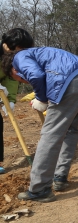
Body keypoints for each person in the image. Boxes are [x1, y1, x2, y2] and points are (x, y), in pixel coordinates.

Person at [4, 46, 78, 202]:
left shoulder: (19, 58)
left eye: (19, 79)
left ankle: (39, 189)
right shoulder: (43, 53)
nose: (23, 81)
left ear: (14, 71)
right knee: (70, 129)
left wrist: (41, 98)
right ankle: (60, 177)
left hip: (74, 82)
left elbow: (36, 75)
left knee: (51, 133)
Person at [0, 28, 35, 174]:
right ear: (7, 45)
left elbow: (11, 78)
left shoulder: (14, 57)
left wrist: (11, 100)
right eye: (18, 50)